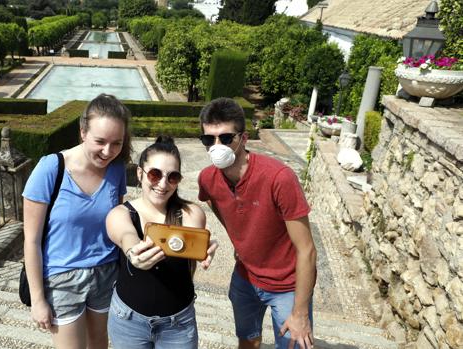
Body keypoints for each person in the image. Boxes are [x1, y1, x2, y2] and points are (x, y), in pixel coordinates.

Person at [197, 98, 317, 349]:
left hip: (287, 285)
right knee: (247, 340)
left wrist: (301, 313)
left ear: (243, 138)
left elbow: (306, 249)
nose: (216, 146)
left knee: (294, 344)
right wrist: (240, 240)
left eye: (226, 138)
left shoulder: (279, 178)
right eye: (209, 140)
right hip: (245, 278)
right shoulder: (207, 179)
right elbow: (217, 205)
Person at [22, 93, 132, 349]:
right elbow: (31, 240)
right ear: (82, 132)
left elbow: (119, 223)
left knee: (100, 346)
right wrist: (38, 300)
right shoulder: (51, 168)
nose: (108, 151)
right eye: (100, 141)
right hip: (62, 277)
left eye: (116, 143)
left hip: (106, 273)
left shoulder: (116, 170)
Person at [105, 136, 218, 349]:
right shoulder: (121, 213)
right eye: (155, 174)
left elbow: (193, 233)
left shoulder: (190, 212)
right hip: (128, 321)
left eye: (172, 177)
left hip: (178, 324)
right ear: (140, 173)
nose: (163, 184)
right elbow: (125, 234)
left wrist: (203, 247)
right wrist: (133, 252)